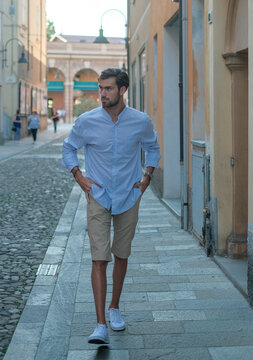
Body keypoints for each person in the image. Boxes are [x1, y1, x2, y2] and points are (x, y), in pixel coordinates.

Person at [62, 68, 161, 345]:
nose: (102, 93)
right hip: (98, 195)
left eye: (108, 88)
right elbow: (68, 148)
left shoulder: (140, 121)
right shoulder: (87, 121)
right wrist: (80, 177)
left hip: (129, 196)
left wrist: (146, 177)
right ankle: (100, 324)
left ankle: (114, 307)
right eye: (100, 88)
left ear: (122, 90)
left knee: (121, 254)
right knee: (98, 258)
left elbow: (153, 148)